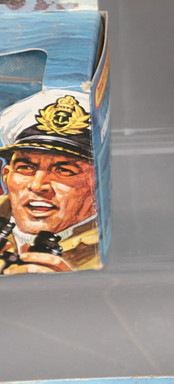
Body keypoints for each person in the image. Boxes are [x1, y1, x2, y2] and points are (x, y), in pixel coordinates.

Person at [0, 90, 100, 273]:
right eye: (25, 167)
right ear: (6, 176)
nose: (38, 186)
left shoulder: (111, 244)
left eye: (64, 171)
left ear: (95, 185)